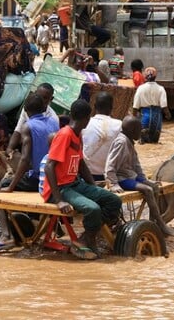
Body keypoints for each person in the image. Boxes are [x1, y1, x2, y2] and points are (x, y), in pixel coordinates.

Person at [42, 99, 122, 260]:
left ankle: (86, 236)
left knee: (113, 201)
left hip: (75, 184)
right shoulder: (64, 135)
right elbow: (49, 166)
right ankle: (89, 239)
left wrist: (94, 187)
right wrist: (59, 200)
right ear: (87, 119)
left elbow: (80, 163)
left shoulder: (77, 135)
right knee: (93, 209)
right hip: (61, 189)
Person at [0, 94, 59, 252]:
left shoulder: (28, 126)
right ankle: (53, 229)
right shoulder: (54, 122)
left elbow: (25, 160)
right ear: (44, 108)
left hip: (37, 179)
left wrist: (11, 186)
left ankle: (6, 236)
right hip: (54, 178)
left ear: (25, 110)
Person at [105, 116, 174, 236]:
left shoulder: (129, 141)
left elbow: (136, 165)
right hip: (122, 178)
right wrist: (113, 184)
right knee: (148, 190)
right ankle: (161, 224)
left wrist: (145, 179)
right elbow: (110, 166)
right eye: (139, 129)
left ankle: (152, 223)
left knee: (154, 187)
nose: (141, 132)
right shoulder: (121, 142)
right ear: (132, 130)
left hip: (130, 176)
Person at [6, 83, 59, 155]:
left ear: (51, 99)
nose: (40, 100)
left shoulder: (53, 118)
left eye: (45, 98)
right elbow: (18, 130)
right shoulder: (29, 107)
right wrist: (9, 148)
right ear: (34, 93)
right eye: (38, 96)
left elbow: (48, 146)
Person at [82, 92, 122, 183]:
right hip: (110, 175)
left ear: (94, 106)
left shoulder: (85, 123)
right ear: (112, 107)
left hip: (86, 174)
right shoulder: (119, 125)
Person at [132, 67, 171, 143]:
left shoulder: (140, 88)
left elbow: (135, 106)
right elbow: (164, 106)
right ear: (155, 77)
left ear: (145, 77)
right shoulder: (161, 88)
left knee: (143, 143)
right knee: (154, 143)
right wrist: (168, 115)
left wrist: (133, 119)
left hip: (144, 117)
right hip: (157, 119)